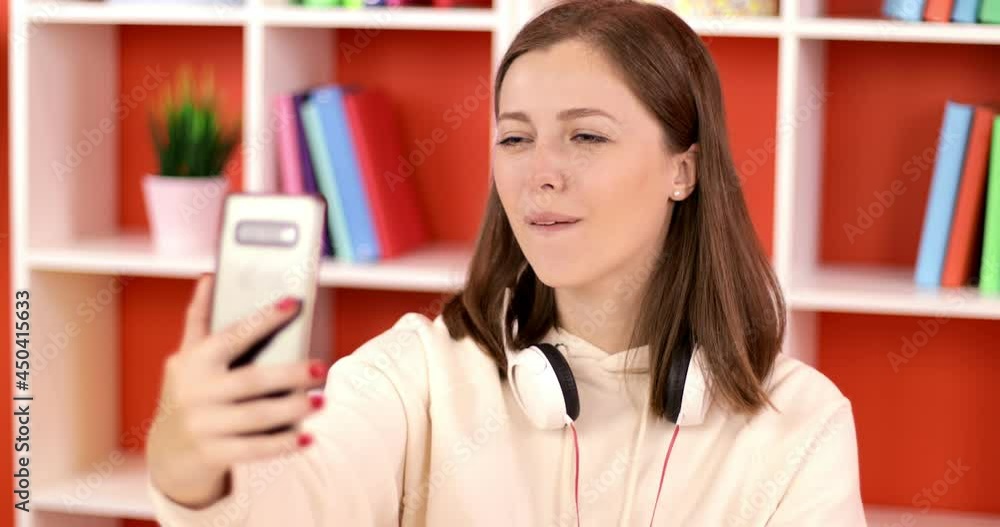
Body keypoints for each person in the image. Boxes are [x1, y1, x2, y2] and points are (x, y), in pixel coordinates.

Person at [145, 0, 867, 525]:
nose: (539, 174)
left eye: (585, 136)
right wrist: (191, 458)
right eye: (516, 140)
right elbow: (293, 500)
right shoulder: (415, 376)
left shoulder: (801, 423)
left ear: (684, 169)